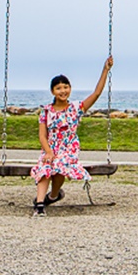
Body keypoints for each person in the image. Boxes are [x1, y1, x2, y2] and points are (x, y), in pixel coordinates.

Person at [30, 55, 114, 216]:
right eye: (59, 88)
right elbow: (42, 135)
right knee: (45, 166)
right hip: (51, 147)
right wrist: (48, 151)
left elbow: (96, 93)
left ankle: (53, 195)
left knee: (60, 164)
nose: (63, 91)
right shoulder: (46, 111)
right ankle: (39, 205)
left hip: (69, 148)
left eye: (66, 87)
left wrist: (105, 70)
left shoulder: (76, 108)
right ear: (52, 91)